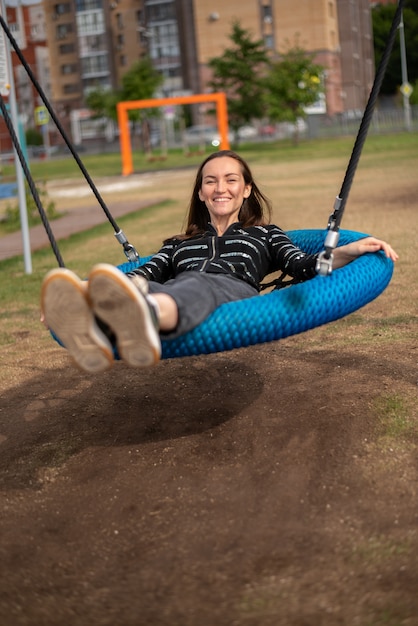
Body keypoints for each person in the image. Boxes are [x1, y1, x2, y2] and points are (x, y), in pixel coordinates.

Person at [41, 150, 398, 374]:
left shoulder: (266, 234)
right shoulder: (179, 244)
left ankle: (144, 317)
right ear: (200, 192)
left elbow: (305, 268)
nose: (220, 188)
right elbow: (139, 274)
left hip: (231, 291)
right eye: (210, 181)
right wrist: (78, 294)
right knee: (141, 287)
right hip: (174, 291)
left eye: (231, 180)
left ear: (245, 190)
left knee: (195, 282)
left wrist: (351, 250)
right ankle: (92, 327)